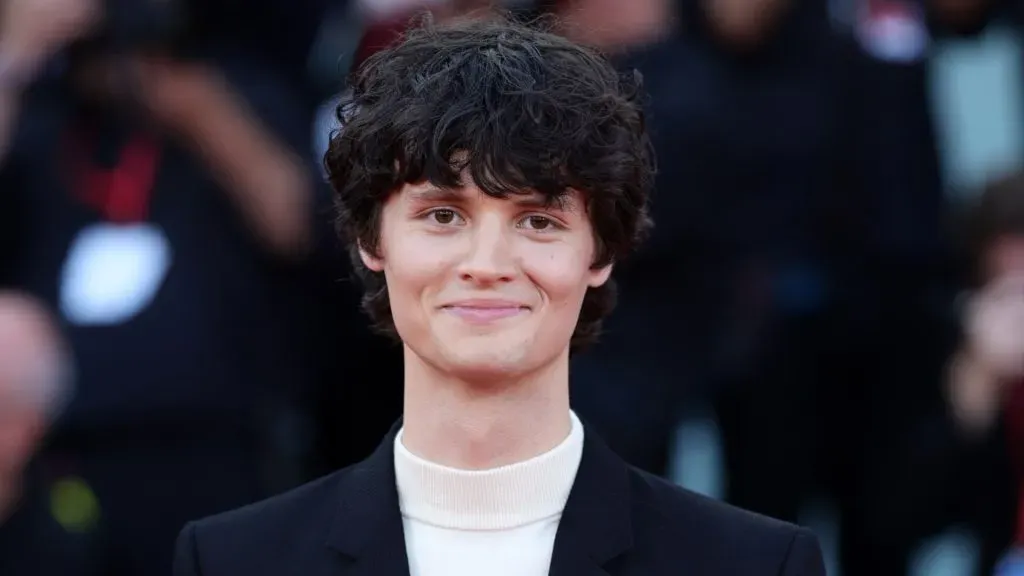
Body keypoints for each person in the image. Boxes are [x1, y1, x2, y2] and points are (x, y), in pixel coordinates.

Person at [172, 14, 826, 576]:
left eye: (538, 221)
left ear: (599, 251)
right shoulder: (235, 559)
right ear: (372, 240)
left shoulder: (751, 564)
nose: (487, 265)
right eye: (443, 216)